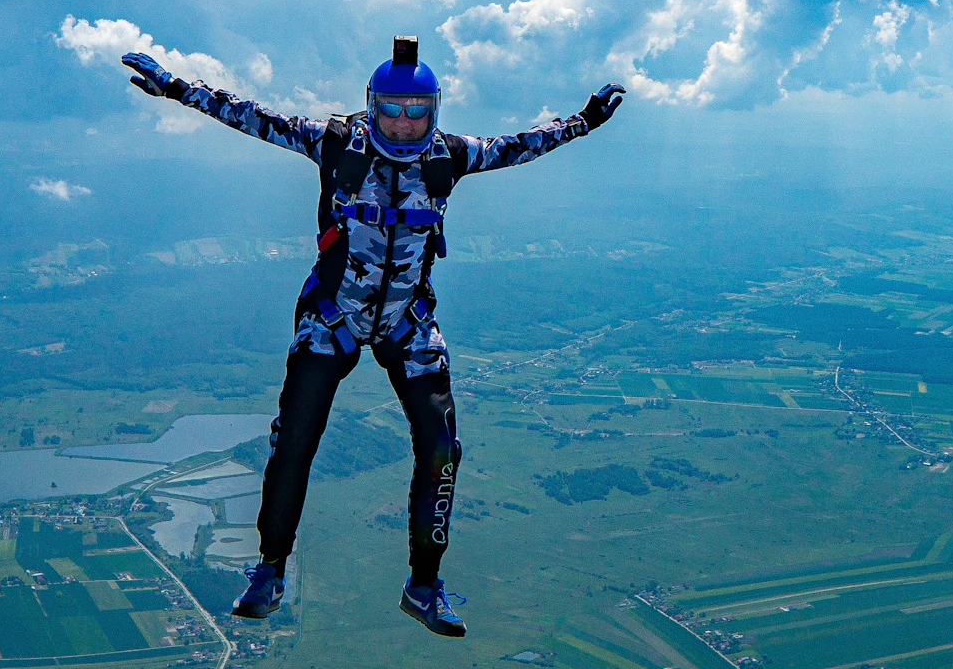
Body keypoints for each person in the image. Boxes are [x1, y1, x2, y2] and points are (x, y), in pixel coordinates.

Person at [120, 38, 625, 637]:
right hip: (334, 312)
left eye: (417, 112)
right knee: (294, 440)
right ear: (372, 105)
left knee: (441, 448)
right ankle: (269, 569)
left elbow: (523, 147)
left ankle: (424, 585)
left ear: (434, 111)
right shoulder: (336, 143)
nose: (405, 124)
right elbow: (248, 115)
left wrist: (585, 121)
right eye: (392, 109)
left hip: (407, 319)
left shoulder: (449, 155)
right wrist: (175, 88)